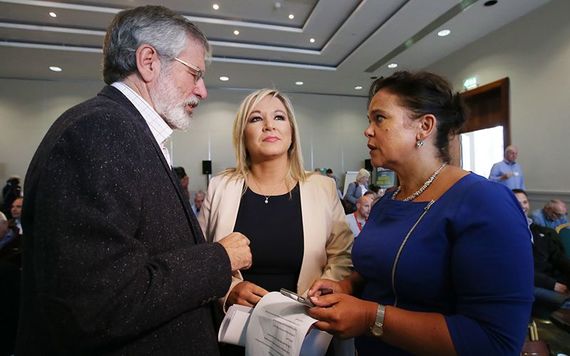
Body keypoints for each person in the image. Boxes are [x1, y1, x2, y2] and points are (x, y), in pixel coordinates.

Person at [18, 6, 252, 355]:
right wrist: (219, 258)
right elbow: (98, 303)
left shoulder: (125, 132)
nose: (202, 90)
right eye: (195, 73)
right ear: (149, 61)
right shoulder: (98, 132)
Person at [307, 71, 533, 355]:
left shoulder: (484, 201)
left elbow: (494, 341)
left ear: (424, 126)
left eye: (379, 118)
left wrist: (370, 317)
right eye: (369, 121)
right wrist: (346, 286)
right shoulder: (388, 200)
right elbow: (379, 271)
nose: (367, 130)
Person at [198, 88, 353, 351]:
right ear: (242, 134)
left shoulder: (322, 187)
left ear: (292, 132)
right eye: (256, 119)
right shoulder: (221, 186)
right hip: (235, 334)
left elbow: (342, 256)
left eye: (279, 117)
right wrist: (229, 290)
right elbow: (201, 257)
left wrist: (323, 292)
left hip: (306, 332)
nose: (269, 125)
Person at [512, 189, 570, 330]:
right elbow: (518, 269)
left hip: (551, 279)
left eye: (525, 202)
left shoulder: (539, 231)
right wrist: (553, 284)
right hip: (526, 284)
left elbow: (559, 259)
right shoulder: (507, 232)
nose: (523, 206)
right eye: (517, 203)